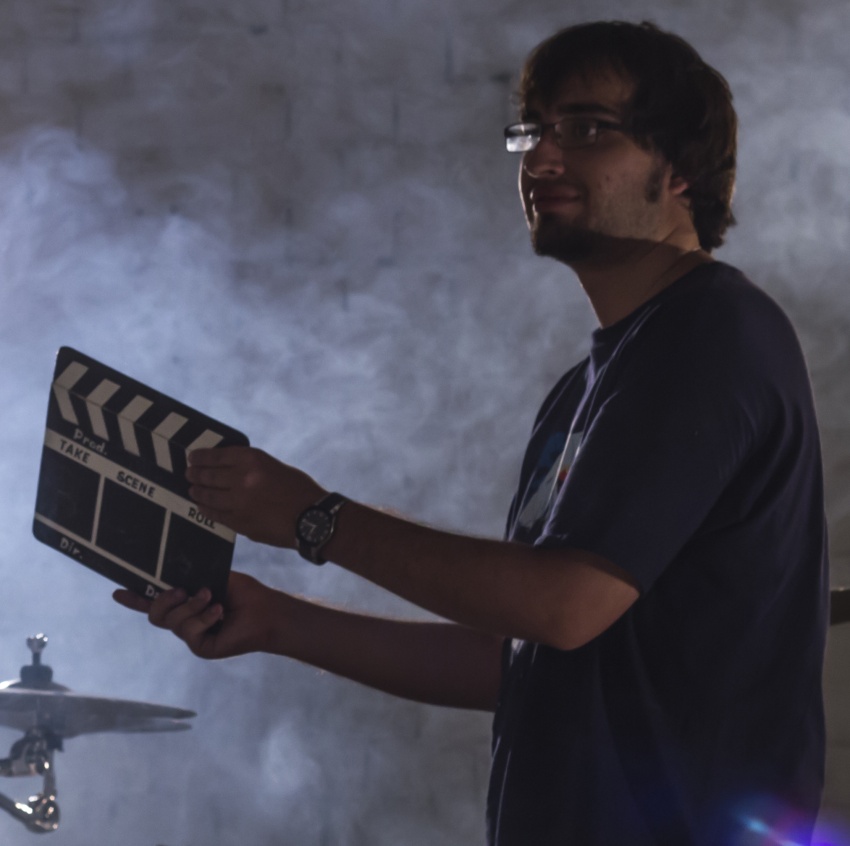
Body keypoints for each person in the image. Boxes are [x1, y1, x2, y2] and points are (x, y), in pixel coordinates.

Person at [114, 20, 829, 846]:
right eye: (534, 131)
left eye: (587, 130)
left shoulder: (710, 333)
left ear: (682, 171)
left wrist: (315, 518)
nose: (543, 158)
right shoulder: (581, 392)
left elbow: (565, 604)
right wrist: (278, 621)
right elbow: (520, 653)